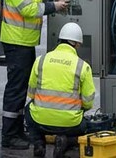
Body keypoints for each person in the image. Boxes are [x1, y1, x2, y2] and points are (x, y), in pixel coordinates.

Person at [0, 0, 69, 150]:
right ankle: (9, 136)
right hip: (16, 42)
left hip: (24, 42)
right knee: (15, 90)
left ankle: (18, 131)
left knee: (22, 89)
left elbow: (35, 1)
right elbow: (29, 9)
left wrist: (51, 0)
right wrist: (53, 6)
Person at [25, 22, 96, 158]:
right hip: (70, 124)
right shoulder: (82, 66)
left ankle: (39, 143)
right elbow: (88, 103)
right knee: (87, 126)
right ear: (76, 44)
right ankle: (66, 141)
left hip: (40, 121)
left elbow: (31, 94)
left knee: (28, 110)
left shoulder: (41, 60)